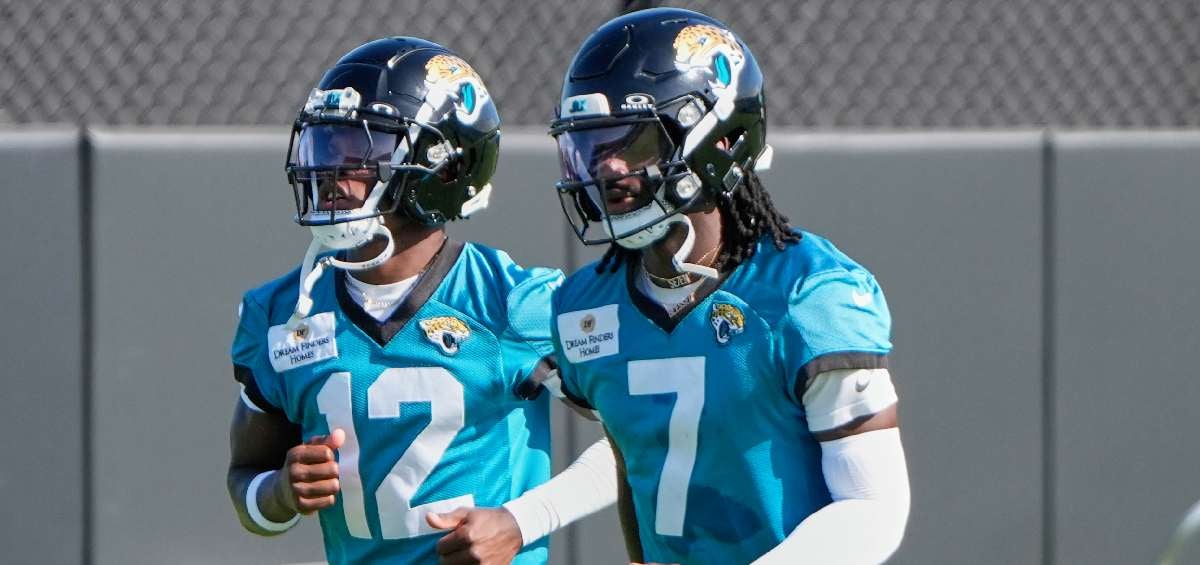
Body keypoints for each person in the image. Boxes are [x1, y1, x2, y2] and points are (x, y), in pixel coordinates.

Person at [225, 37, 615, 565]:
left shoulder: (509, 302)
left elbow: (638, 436)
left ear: (443, 167)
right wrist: (282, 492)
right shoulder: (281, 313)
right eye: (326, 145)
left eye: (360, 151)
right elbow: (246, 481)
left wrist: (523, 520)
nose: (332, 172)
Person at [547, 9, 911, 564]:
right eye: (592, 145)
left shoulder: (808, 293)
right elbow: (633, 458)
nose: (607, 169)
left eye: (632, 140)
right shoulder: (586, 306)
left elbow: (873, 506)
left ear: (718, 138)